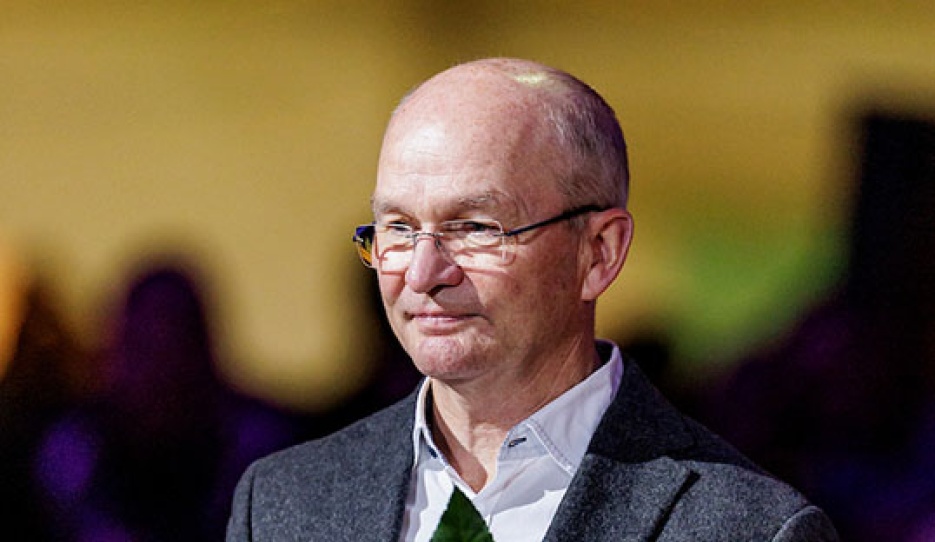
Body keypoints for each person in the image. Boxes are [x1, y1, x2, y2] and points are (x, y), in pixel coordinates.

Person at [227, 57, 838, 541]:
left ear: (598, 252)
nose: (423, 272)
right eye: (399, 228)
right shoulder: (284, 501)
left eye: (475, 228)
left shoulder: (749, 527)